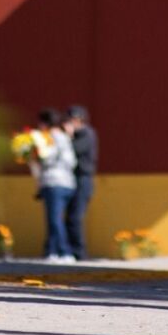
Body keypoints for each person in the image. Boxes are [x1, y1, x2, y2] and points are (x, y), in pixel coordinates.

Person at [32, 108, 77, 263]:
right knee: (55, 218)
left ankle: (65, 252)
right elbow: (72, 161)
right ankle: (51, 252)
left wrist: (35, 156)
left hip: (53, 181)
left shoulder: (49, 138)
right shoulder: (65, 137)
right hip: (68, 182)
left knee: (54, 219)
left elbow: (47, 158)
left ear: (44, 124)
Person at [63, 105, 97, 261]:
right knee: (70, 216)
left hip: (83, 179)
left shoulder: (87, 134)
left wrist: (69, 136)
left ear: (79, 120)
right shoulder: (76, 135)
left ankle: (80, 253)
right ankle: (71, 250)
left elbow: (74, 150)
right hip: (73, 179)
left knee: (75, 216)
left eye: (72, 120)